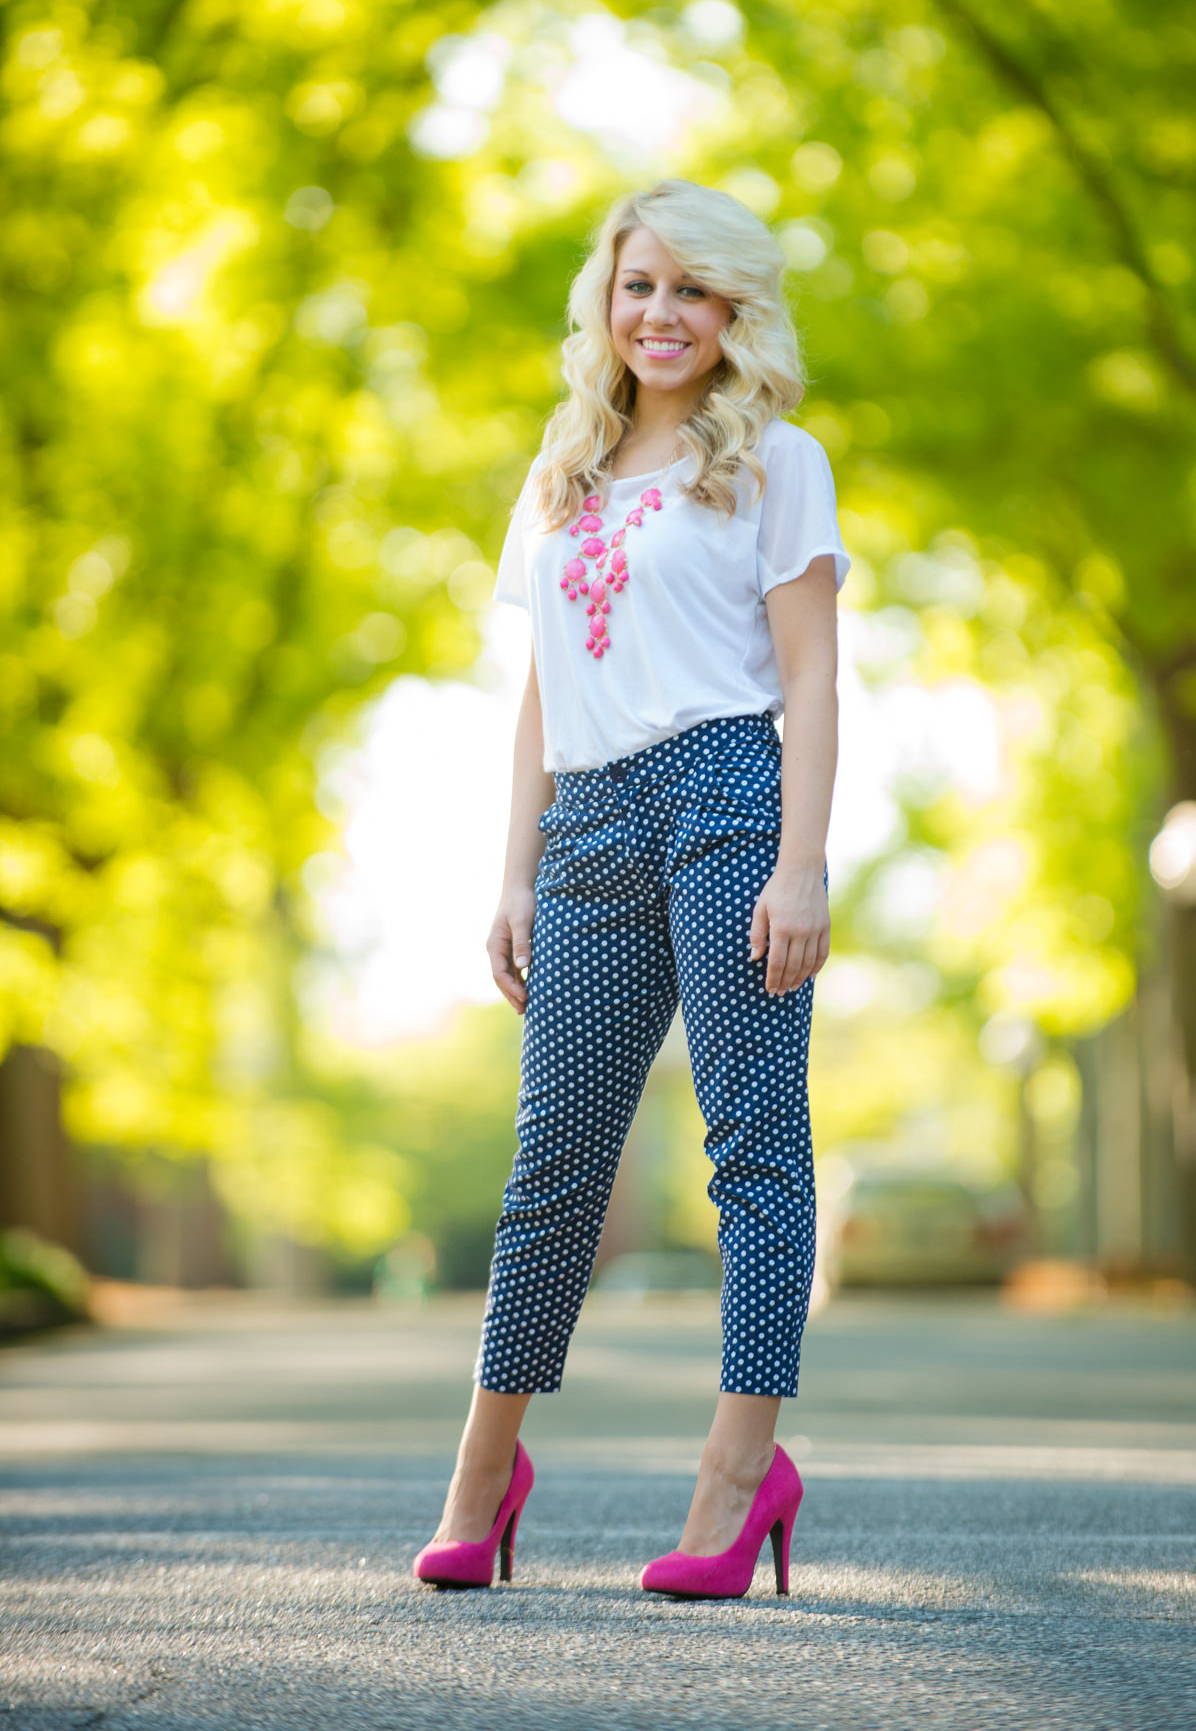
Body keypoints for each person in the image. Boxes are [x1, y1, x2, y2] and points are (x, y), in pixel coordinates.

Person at [412, 176, 850, 1600]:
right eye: (639, 285)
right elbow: (543, 688)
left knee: (756, 1155)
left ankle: (739, 1477)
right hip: (589, 827)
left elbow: (808, 676)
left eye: (692, 290)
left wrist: (801, 859)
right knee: (552, 1175)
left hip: (729, 799)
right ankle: (484, 1472)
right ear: (606, 302)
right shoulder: (561, 474)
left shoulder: (779, 461)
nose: (661, 313)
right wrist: (515, 870)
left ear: (735, 313)